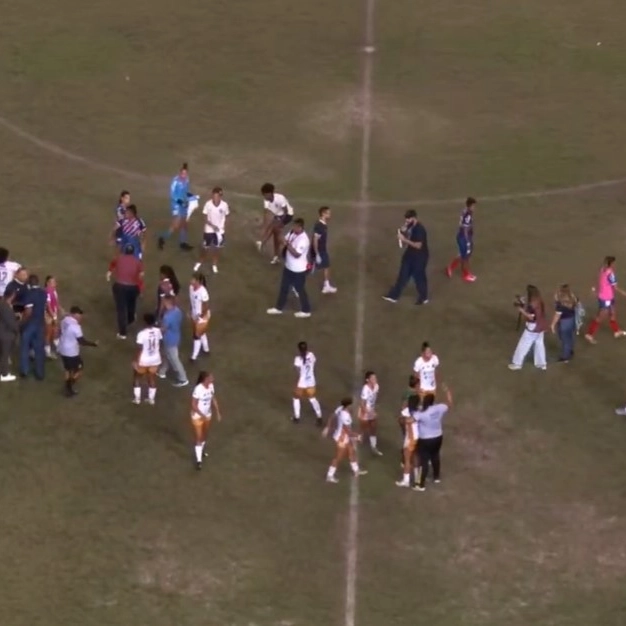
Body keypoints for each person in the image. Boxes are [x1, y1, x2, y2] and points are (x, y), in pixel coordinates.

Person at [266, 218, 312, 318]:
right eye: (293, 226)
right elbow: (282, 240)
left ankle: (306, 310)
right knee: (284, 288)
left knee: (300, 290)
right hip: (289, 267)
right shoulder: (292, 233)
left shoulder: (304, 240)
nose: (293, 228)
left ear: (300, 227)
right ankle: (278, 308)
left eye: (295, 226)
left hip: (299, 270)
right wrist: (279, 233)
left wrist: (286, 243)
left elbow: (296, 254)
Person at [383, 209, 429, 305]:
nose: (406, 221)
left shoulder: (420, 229)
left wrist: (404, 240)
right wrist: (402, 231)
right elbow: (405, 229)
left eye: (408, 219)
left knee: (419, 278)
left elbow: (418, 245)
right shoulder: (410, 225)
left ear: (414, 218)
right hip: (410, 255)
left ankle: (424, 297)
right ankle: (394, 296)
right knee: (402, 276)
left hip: (420, 257)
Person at [414, 387, 453, 491]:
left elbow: (411, 419)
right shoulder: (439, 408)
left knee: (424, 461)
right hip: (438, 437)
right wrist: (448, 393)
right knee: (435, 456)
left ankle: (420, 485)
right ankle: (436, 477)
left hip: (425, 439)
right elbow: (449, 403)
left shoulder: (422, 414)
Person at [322, 397, 368, 483]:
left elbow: (332, 416)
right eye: (351, 404)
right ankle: (329, 475)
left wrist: (327, 427)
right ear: (348, 405)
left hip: (343, 437)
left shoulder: (340, 409)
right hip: (341, 439)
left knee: (351, 452)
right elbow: (347, 431)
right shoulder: (345, 416)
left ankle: (356, 470)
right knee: (338, 458)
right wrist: (357, 436)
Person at [57, 306, 98, 397]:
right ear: (74, 315)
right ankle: (69, 387)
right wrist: (93, 344)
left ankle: (68, 386)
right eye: (79, 316)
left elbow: (60, 331)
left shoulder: (64, 321)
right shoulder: (76, 327)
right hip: (71, 352)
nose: (80, 318)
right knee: (79, 370)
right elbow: (82, 341)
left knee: (68, 369)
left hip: (63, 349)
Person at [585, 256, 626, 344]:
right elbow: (615, 287)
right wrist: (624, 293)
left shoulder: (602, 269)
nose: (615, 265)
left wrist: (596, 290)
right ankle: (589, 334)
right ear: (611, 264)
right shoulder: (611, 274)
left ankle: (616, 331)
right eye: (614, 263)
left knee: (613, 314)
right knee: (600, 317)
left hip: (608, 297)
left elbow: (600, 281)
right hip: (605, 298)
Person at [509, 285, 548, 371]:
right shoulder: (539, 300)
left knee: (523, 344)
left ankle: (517, 363)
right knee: (539, 344)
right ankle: (542, 363)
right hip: (541, 325)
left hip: (533, 327)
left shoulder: (532, 305)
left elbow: (531, 317)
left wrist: (521, 309)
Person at [158, 162, 195, 251]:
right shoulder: (175, 181)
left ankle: (183, 243)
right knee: (176, 225)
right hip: (176, 205)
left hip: (184, 204)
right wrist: (180, 201)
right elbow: (172, 195)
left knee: (184, 224)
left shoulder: (187, 180)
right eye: (182, 173)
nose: (184, 175)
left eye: (185, 173)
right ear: (179, 173)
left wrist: (190, 197)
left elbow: (186, 191)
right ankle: (162, 237)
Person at [109, 244, 144, 339]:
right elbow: (141, 277)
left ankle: (123, 333)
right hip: (133, 287)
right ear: (133, 252)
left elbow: (112, 264)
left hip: (120, 286)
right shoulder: (137, 262)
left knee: (121, 310)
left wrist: (109, 273)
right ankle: (131, 319)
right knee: (131, 305)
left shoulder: (119, 259)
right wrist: (140, 289)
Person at [190, 371, 222, 470]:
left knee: (205, 434)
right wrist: (201, 415)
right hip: (197, 416)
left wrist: (217, 412)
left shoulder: (211, 386)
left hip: (207, 414)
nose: (213, 378)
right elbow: (194, 405)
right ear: (205, 379)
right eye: (210, 377)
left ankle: (201, 451)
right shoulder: (198, 389)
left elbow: (213, 399)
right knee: (199, 437)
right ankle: (199, 461)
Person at [194, 187, 229, 274]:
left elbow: (227, 216)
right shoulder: (208, 204)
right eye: (213, 196)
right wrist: (212, 226)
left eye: (217, 196)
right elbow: (204, 217)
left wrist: (223, 226)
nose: (215, 198)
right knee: (205, 247)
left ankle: (214, 264)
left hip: (219, 231)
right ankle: (200, 262)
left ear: (220, 197)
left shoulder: (224, 205)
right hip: (209, 229)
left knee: (217, 248)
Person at [257, 182, 295, 264]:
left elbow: (286, 211)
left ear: (270, 193)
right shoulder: (266, 201)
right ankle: (276, 256)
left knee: (276, 231)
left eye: (265, 194)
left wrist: (280, 223)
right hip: (279, 215)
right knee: (274, 233)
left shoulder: (280, 198)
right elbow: (267, 212)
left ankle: (288, 248)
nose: (264, 196)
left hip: (287, 215)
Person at [19, 274, 47, 380]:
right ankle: (40, 373)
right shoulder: (43, 293)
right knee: (39, 348)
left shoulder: (29, 294)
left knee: (25, 346)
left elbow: (28, 312)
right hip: (40, 323)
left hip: (30, 323)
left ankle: (24, 370)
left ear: (29, 283)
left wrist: (21, 322)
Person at [157, 295, 188, 387]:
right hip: (176, 336)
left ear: (167, 303)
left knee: (174, 359)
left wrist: (156, 331)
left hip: (169, 339)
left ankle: (183, 379)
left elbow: (163, 329)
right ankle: (162, 371)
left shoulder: (167, 317)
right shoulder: (177, 311)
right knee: (167, 354)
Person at [133, 313, 162, 405]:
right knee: (152, 378)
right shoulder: (158, 331)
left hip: (144, 360)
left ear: (145, 322)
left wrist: (137, 361)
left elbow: (140, 349)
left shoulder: (141, 334)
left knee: (137, 377)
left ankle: (137, 399)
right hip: (155, 359)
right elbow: (159, 342)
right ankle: (151, 399)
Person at [445, 197, 477, 282]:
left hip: (462, 236)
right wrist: (467, 242)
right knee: (465, 257)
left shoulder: (465, 211)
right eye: (473, 206)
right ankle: (465, 275)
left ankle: (450, 267)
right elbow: (466, 229)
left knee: (463, 255)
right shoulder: (468, 215)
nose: (474, 208)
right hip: (464, 238)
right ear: (470, 206)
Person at [292, 341, 323, 425]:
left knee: (296, 398)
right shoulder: (311, 355)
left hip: (302, 382)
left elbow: (298, 372)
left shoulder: (298, 359)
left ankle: (297, 417)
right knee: (312, 398)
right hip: (311, 381)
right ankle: (319, 416)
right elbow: (313, 362)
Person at [311, 206, 337, 294]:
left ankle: (326, 285)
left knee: (326, 266)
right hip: (319, 250)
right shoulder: (320, 226)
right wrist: (317, 253)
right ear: (323, 214)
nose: (330, 215)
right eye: (328, 213)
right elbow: (315, 240)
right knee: (310, 268)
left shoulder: (323, 224)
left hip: (322, 250)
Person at [396, 394, 420, 488]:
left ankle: (406, 481)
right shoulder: (420, 411)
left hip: (410, 438)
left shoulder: (406, 411)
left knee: (407, 460)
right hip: (418, 437)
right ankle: (418, 478)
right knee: (416, 458)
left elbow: (400, 420)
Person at [550, 284, 578, 363]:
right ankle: (570, 350)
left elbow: (557, 316)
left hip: (564, 323)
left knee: (564, 339)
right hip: (572, 320)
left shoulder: (560, 305)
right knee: (570, 336)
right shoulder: (573, 299)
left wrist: (552, 325)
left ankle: (565, 357)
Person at [359, 371, 382, 456]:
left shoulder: (376, 386)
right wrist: (367, 412)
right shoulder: (365, 389)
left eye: (375, 378)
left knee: (373, 428)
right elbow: (362, 403)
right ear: (367, 380)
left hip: (371, 409)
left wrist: (374, 410)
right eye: (372, 378)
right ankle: (358, 436)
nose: (375, 379)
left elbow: (375, 398)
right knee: (363, 427)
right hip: (365, 410)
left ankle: (374, 446)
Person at [189, 272, 210, 360]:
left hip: (202, 316)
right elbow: (192, 300)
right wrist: (191, 311)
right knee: (201, 333)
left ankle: (194, 356)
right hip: (195, 314)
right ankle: (206, 348)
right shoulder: (191, 288)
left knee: (196, 335)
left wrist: (201, 316)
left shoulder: (203, 292)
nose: (191, 280)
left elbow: (206, 306)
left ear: (198, 281)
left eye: (193, 279)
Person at [0, 288, 19, 381]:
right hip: (5, 334)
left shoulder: (3, 305)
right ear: (12, 296)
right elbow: (10, 323)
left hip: (2, 332)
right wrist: (17, 328)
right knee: (5, 355)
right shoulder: (6, 307)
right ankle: (4, 374)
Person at [44, 275, 62, 360]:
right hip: (48, 315)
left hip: (53, 314)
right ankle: (47, 351)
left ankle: (58, 348)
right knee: (49, 333)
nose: (55, 283)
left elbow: (56, 302)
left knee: (55, 331)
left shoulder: (53, 291)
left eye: (55, 282)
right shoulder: (47, 292)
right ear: (47, 283)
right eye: (53, 282)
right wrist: (54, 317)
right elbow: (48, 306)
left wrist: (61, 310)